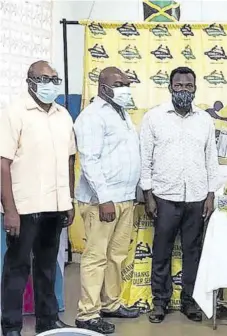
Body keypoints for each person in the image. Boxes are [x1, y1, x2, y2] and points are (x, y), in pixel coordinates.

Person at [0, 61, 75, 336]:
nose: (50, 84)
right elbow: (3, 164)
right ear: (29, 80)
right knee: (17, 269)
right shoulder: (13, 113)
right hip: (24, 208)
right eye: (44, 78)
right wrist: (9, 210)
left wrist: (68, 202)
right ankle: (10, 326)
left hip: (55, 207)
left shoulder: (63, 115)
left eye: (55, 79)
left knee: (46, 268)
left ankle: (48, 321)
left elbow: (69, 161)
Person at [140, 66, 218, 324]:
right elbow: (145, 159)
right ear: (170, 87)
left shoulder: (205, 120)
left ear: (195, 88)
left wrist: (210, 194)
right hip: (164, 196)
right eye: (179, 85)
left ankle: (190, 302)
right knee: (161, 252)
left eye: (188, 86)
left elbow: (211, 159)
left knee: (192, 252)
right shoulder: (154, 118)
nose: (183, 90)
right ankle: (159, 302)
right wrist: (148, 195)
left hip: (196, 197)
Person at [73, 67, 141, 334]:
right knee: (96, 257)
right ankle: (87, 314)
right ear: (103, 87)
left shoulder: (122, 113)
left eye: (126, 83)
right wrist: (104, 199)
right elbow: (89, 161)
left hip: (125, 197)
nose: (125, 87)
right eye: (119, 83)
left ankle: (111, 303)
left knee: (116, 256)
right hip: (103, 200)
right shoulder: (92, 116)